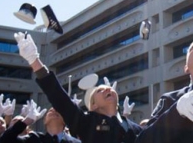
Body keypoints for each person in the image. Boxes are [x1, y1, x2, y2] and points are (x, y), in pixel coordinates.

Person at [14, 32, 143, 143]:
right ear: (94, 106)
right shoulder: (85, 122)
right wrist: (34, 60)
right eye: (100, 90)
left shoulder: (137, 129)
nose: (107, 89)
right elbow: (59, 97)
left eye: (109, 89)